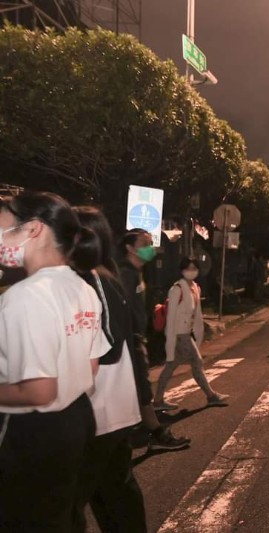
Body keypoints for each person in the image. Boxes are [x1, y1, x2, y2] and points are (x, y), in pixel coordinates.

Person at [0, 191, 110, 530]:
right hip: (75, 420)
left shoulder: (24, 296)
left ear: (33, 229)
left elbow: (39, 392)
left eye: (2, 228)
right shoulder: (83, 287)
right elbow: (91, 367)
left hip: (32, 432)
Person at [72, 206, 147, 532]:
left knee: (75, 500)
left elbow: (113, 344)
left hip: (101, 408)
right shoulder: (109, 276)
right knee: (114, 492)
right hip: (114, 407)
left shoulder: (94, 280)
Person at [118, 229, 190, 451]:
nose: (150, 248)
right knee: (142, 389)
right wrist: (134, 340)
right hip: (129, 341)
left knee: (137, 389)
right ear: (130, 248)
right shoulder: (125, 274)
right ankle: (156, 433)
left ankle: (138, 433)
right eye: (145, 244)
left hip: (136, 338)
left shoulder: (138, 272)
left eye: (151, 243)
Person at [154, 257, 229, 410]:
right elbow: (171, 317)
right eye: (188, 268)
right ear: (182, 271)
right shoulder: (177, 289)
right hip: (178, 334)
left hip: (186, 333)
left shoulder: (195, 287)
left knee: (171, 366)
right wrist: (170, 340)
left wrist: (199, 333)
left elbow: (197, 313)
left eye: (194, 268)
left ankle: (158, 401)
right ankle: (211, 396)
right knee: (197, 362)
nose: (191, 271)